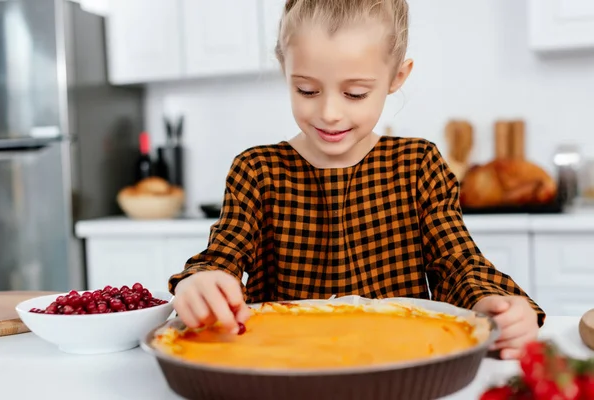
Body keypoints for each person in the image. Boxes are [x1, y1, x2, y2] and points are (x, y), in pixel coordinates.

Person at [169, 0, 543, 360]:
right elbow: (221, 259)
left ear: (397, 77)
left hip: (401, 360)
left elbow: (458, 264)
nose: (330, 112)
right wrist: (202, 282)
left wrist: (496, 304)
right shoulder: (257, 169)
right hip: (286, 365)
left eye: (355, 93)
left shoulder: (417, 164)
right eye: (307, 90)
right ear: (284, 67)